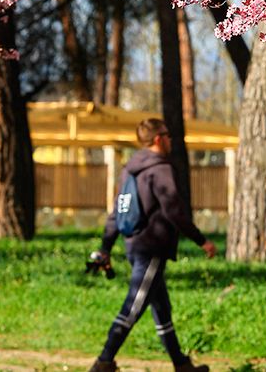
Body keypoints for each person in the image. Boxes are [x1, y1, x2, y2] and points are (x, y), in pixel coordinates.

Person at [89, 118, 217, 372]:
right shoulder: (161, 170)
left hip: (133, 245)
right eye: (168, 135)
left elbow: (118, 211)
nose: (171, 140)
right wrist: (202, 241)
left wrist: (106, 247)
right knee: (133, 306)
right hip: (152, 247)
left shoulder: (130, 170)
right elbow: (174, 211)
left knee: (161, 308)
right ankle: (103, 362)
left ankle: (181, 365)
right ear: (159, 138)